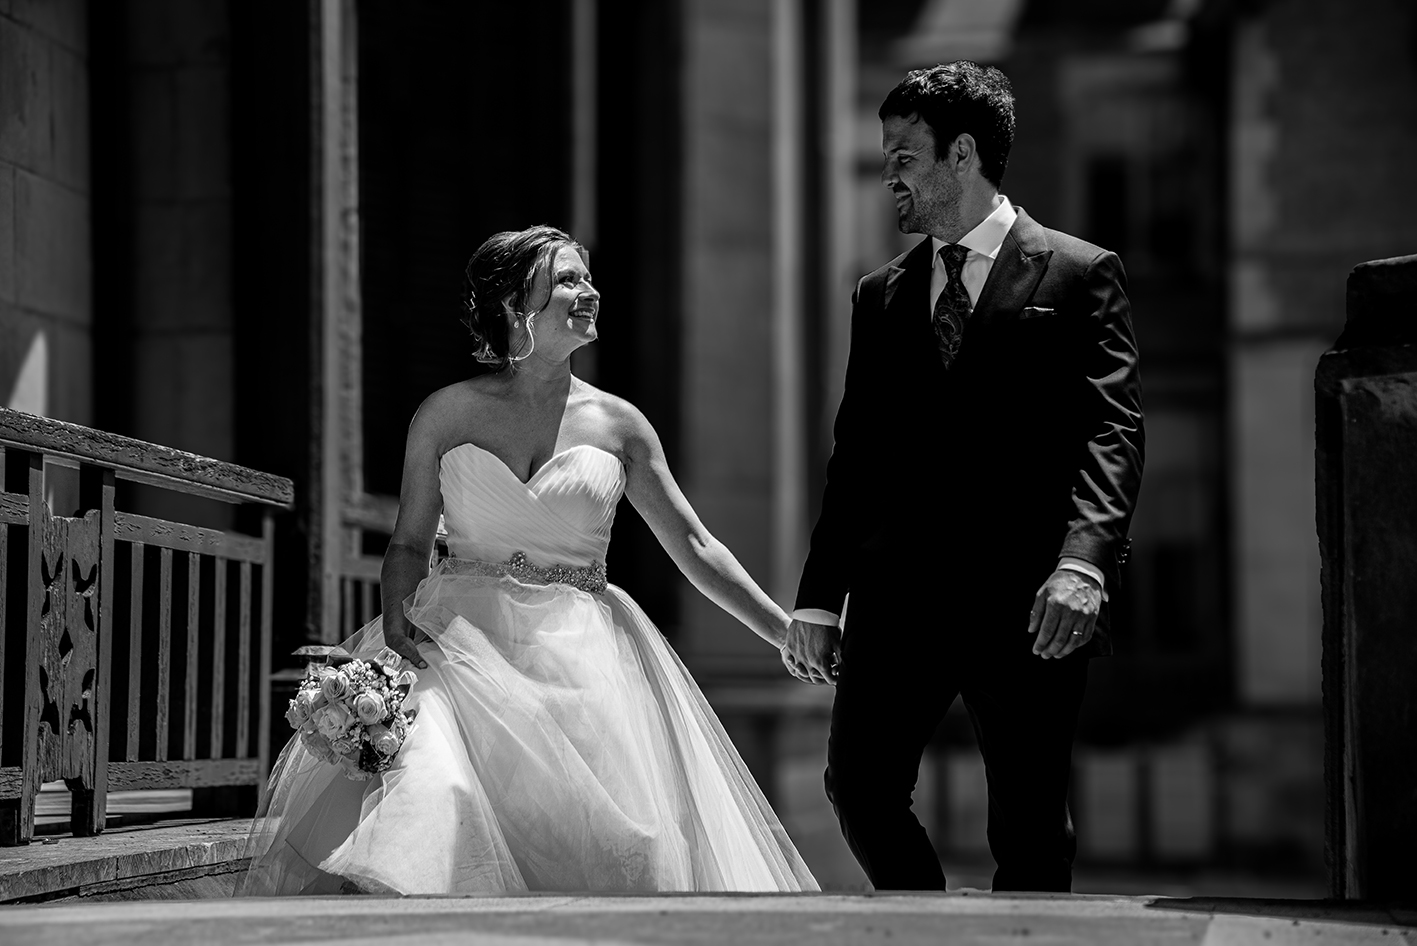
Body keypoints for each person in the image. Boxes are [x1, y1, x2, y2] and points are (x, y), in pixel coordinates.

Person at [242, 225, 818, 895]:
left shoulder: (620, 426)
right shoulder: (446, 414)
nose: (589, 291)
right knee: (433, 795)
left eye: (587, 277)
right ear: (516, 306)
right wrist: (395, 619)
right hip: (457, 644)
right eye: (568, 280)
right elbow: (408, 542)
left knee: (610, 841)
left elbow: (695, 546)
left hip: (581, 658)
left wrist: (785, 632)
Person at [781, 61, 1145, 892]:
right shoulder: (879, 295)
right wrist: (818, 599)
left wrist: (1083, 563)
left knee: (1030, 826)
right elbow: (856, 457)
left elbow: (1112, 431)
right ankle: (927, 930)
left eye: (903, 156)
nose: (887, 175)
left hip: (1029, 601)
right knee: (859, 788)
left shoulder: (1078, 272)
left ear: (962, 154)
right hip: (896, 598)